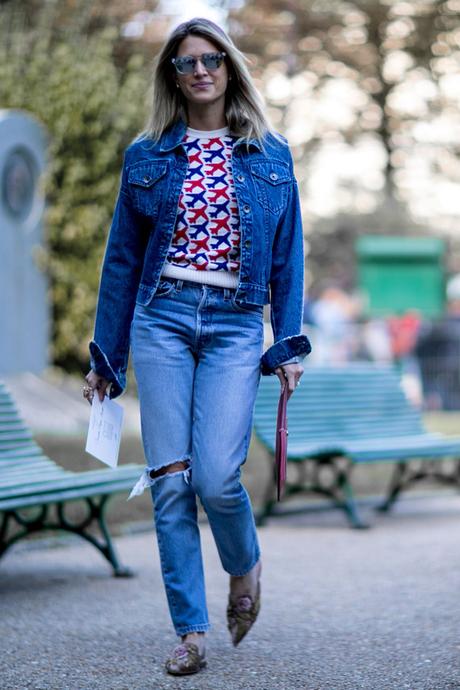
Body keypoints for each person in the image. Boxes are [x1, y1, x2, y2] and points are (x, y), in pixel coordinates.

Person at [83, 17, 311, 676]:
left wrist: (288, 342)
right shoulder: (146, 154)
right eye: (187, 62)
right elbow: (121, 263)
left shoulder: (270, 153)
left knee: (216, 475)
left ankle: (244, 567)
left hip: (237, 325)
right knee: (170, 482)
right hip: (163, 319)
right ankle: (191, 632)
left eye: (212, 58)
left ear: (230, 67)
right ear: (173, 75)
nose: (201, 70)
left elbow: (289, 256)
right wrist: (106, 356)